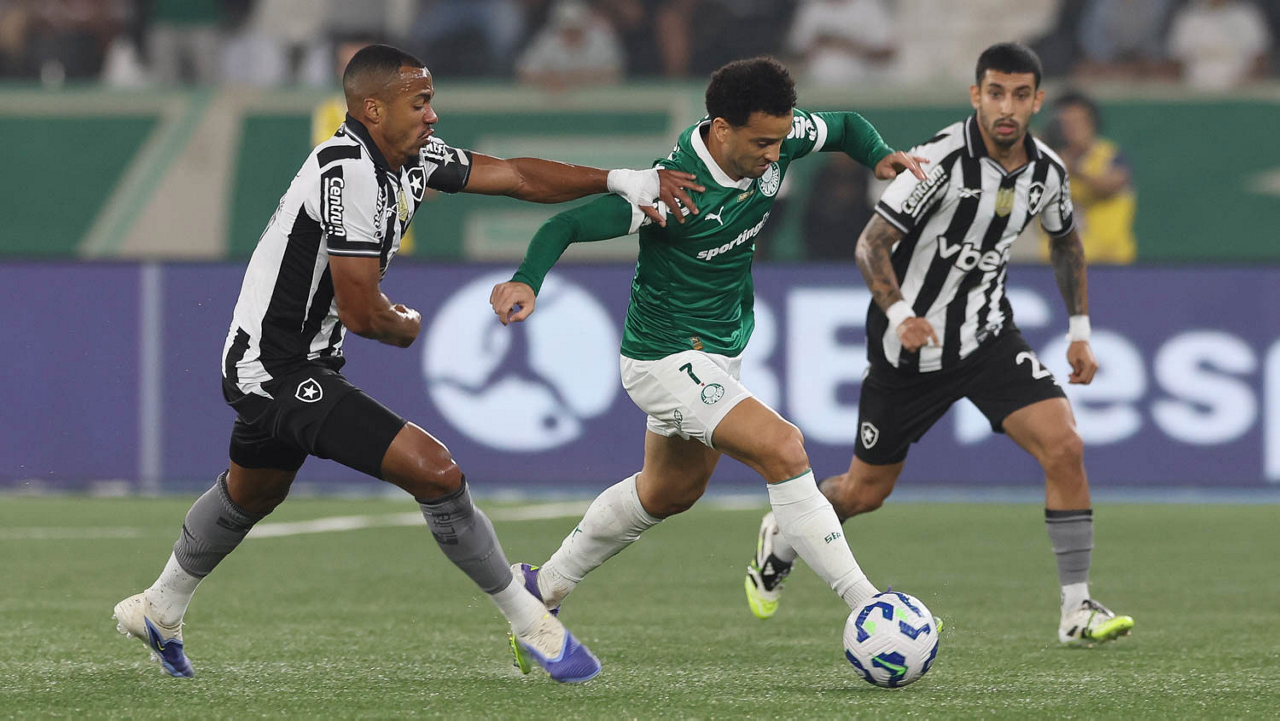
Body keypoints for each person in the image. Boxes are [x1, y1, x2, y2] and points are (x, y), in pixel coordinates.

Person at [111, 43, 701, 683]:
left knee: (254, 489)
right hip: (274, 368)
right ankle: (534, 624)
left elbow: (514, 176)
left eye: (431, 102)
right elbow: (365, 315)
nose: (432, 117)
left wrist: (619, 179)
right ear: (373, 107)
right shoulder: (349, 170)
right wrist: (407, 324)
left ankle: (158, 607)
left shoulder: (409, 157)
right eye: (419, 103)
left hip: (300, 362)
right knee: (437, 471)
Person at [488, 56, 928, 673]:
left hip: (720, 351)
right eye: (762, 142)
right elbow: (566, 222)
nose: (775, 154)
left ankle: (543, 591)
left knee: (670, 491)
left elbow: (847, 125)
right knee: (785, 449)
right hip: (664, 357)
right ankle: (868, 606)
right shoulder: (674, 189)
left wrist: (878, 155)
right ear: (721, 129)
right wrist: (526, 281)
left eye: (780, 139)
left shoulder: (782, 135)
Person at [745, 42, 1135, 647]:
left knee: (1064, 446)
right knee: (864, 492)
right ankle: (785, 535)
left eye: (1020, 94)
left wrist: (1079, 332)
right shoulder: (937, 163)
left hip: (985, 337)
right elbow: (870, 245)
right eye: (995, 92)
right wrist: (901, 313)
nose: (1007, 106)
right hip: (909, 351)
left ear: (1037, 100)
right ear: (977, 95)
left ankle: (1077, 609)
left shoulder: (1047, 173)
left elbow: (1065, 241)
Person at [1040, 90, 1136, 264]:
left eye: (1077, 123)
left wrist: (1074, 170)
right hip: (1060, 263)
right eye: (1065, 124)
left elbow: (1112, 184)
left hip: (1109, 261)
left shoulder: (1111, 155)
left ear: (1092, 123)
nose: (1072, 130)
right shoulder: (1050, 162)